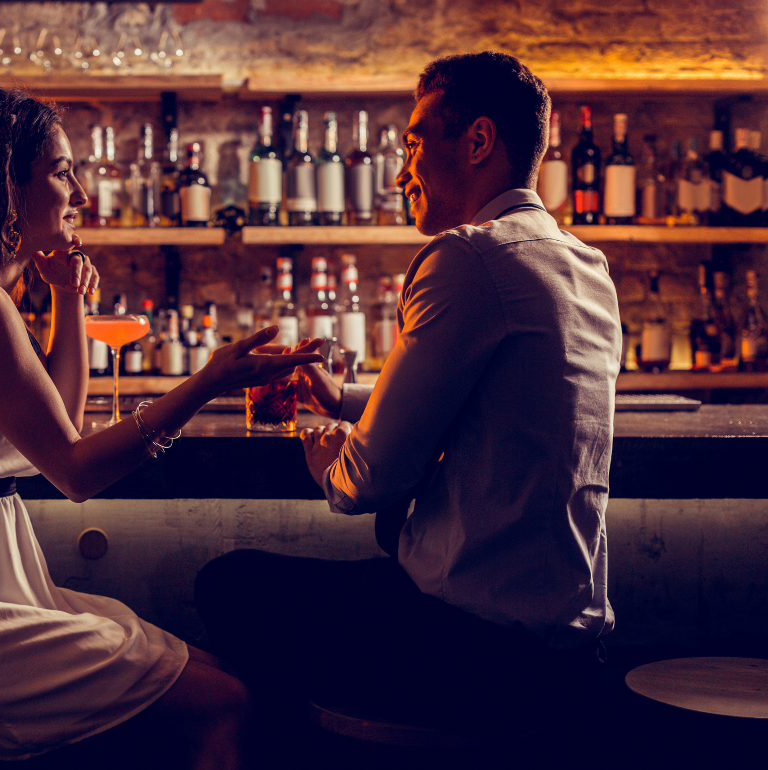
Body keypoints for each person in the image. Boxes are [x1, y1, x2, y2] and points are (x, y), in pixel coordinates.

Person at [0, 87, 321, 769]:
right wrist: (207, 381)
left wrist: (65, 294)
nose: (83, 195)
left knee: (213, 674)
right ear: (3, 182)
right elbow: (76, 471)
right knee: (226, 700)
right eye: (63, 171)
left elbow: (59, 424)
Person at [195, 52, 622, 750]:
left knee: (228, 585)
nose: (400, 172)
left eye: (416, 144)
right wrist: (346, 398)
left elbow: (368, 482)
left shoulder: (467, 257)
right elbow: (492, 398)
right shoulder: (583, 264)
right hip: (567, 646)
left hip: (471, 650)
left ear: (479, 141)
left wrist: (331, 460)